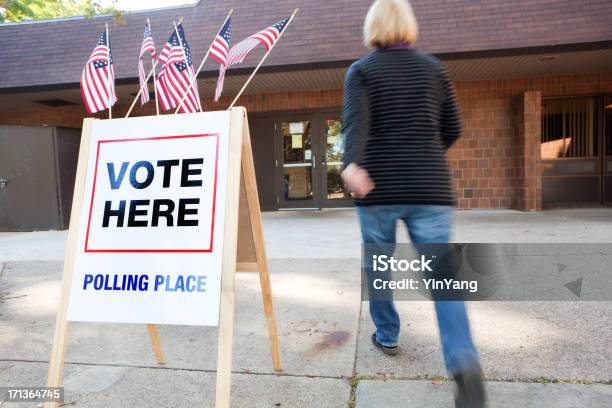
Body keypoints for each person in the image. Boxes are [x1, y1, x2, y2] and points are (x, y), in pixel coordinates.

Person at [341, 1, 486, 407]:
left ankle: (387, 335)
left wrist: (352, 164)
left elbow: (356, 124)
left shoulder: (363, 71)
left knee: (379, 266)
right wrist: (423, 156)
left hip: (378, 189)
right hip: (430, 189)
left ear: (372, 28)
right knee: (443, 278)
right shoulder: (434, 69)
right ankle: (464, 364)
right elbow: (452, 129)